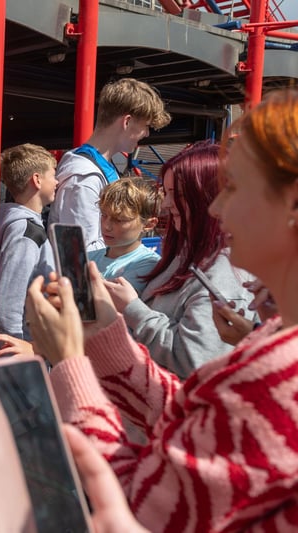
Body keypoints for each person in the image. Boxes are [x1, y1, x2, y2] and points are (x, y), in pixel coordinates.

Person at [25, 88, 298, 532]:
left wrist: (71, 364)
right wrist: (109, 333)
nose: (215, 206)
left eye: (235, 187)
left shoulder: (275, 380)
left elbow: (142, 500)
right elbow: (193, 419)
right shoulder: (271, 342)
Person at [101, 141, 255, 378]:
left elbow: (195, 360)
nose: (165, 204)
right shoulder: (188, 254)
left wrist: (134, 309)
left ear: (208, 197)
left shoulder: (224, 272)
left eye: (178, 195)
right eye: (167, 193)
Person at [49, 78, 170, 251]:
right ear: (127, 122)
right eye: (146, 126)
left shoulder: (95, 167)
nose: (147, 133)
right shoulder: (84, 177)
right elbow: (83, 252)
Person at [0, 143, 57, 341]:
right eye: (53, 175)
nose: (57, 182)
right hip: (25, 347)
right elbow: (7, 307)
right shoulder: (27, 232)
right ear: (37, 180)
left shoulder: (12, 221)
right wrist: (16, 358)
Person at [88, 176, 161, 295]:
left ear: (148, 224)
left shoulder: (149, 263)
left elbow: (115, 300)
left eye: (119, 220)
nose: (107, 226)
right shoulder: (88, 257)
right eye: (104, 215)